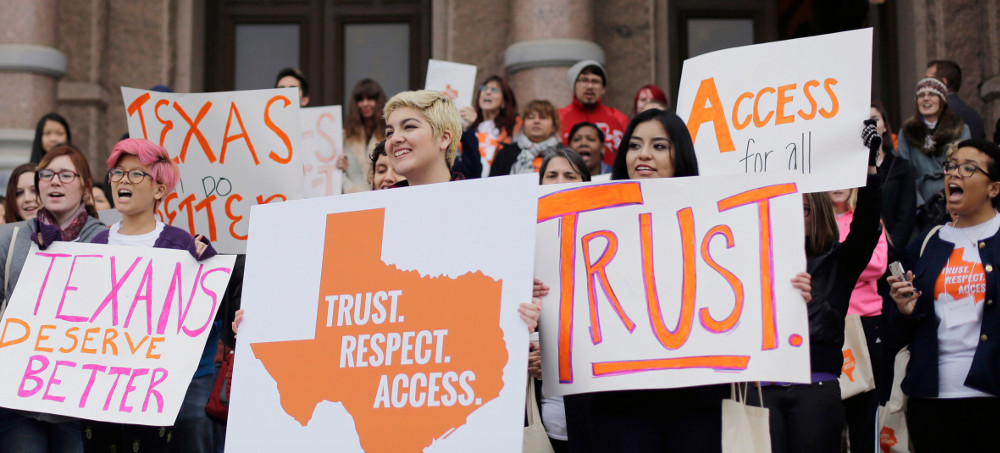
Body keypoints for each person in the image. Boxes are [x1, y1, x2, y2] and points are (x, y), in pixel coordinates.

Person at [560, 109, 812, 453]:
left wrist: (786, 291)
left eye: (659, 146)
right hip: (620, 402)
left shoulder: (721, 218)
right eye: (634, 145)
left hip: (697, 402)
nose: (644, 154)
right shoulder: (589, 223)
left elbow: (747, 287)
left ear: (680, 155)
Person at [84, 138, 215, 453]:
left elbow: (198, 320)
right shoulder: (95, 245)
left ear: (159, 190)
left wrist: (205, 268)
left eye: (136, 174)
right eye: (118, 173)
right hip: (99, 385)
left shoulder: (180, 244)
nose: (123, 180)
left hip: (152, 389)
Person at [888, 139, 1000, 451]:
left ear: (994, 188)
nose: (954, 174)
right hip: (932, 399)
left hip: (991, 399)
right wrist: (903, 309)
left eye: (969, 168)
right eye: (951, 166)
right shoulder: (926, 244)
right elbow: (897, 332)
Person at [0, 145, 106, 453]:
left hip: (77, 404)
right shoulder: (11, 239)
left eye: (65, 175)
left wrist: (195, 253)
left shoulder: (108, 243)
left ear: (86, 188)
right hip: (17, 399)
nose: (54, 181)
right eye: (46, 174)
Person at [533, 147, 590, 452]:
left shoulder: (604, 243)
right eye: (551, 175)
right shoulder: (522, 241)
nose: (559, 183)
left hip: (589, 406)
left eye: (570, 175)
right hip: (541, 413)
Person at [828, 186, 888, 453]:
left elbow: (878, 263)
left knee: (864, 408)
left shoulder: (866, 216)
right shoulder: (815, 218)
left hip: (866, 321)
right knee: (828, 412)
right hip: (831, 323)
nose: (838, 187)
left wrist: (836, 263)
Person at [898, 77, 971, 206]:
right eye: (921, 95)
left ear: (942, 100)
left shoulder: (960, 130)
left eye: (932, 94)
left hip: (954, 197)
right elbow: (905, 172)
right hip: (920, 200)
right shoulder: (906, 132)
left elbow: (965, 168)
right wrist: (919, 205)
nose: (926, 98)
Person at [559, 60, 628, 166]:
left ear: (603, 89)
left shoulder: (619, 118)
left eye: (595, 81)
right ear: (573, 86)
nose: (590, 86)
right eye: (584, 80)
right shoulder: (559, 118)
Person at [457, 75, 521, 178]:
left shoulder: (513, 127)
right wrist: (468, 128)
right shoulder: (466, 125)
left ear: (504, 101)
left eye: (494, 90)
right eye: (484, 88)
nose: (488, 92)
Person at [337, 78, 387, 193]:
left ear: (379, 101)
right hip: (351, 199)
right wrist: (351, 189)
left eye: (370, 98)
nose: (365, 104)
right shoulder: (345, 136)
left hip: (382, 196)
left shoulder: (389, 134)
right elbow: (339, 172)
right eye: (360, 99)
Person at [489, 100, 562, 177]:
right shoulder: (505, 153)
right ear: (523, 124)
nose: (536, 121)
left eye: (543, 117)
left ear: (554, 125)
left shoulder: (563, 155)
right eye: (530, 117)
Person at [927, 60, 986, 140]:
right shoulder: (973, 114)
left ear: (943, 82)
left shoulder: (938, 113)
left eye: (928, 79)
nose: (924, 84)